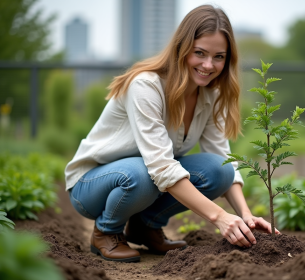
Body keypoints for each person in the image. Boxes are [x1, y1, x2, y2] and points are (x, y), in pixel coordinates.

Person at [65, 4, 280, 263]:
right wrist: (219, 217)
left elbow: (224, 160)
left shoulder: (211, 94)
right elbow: (161, 167)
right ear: (182, 48)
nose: (208, 65)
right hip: (91, 187)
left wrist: (245, 215)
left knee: (219, 170)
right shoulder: (146, 86)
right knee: (143, 172)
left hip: (145, 178)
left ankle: (145, 226)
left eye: (219, 57)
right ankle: (106, 232)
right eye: (199, 53)